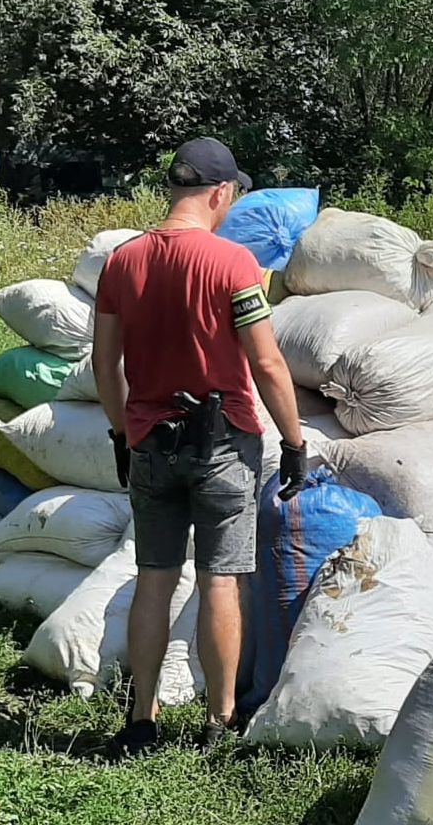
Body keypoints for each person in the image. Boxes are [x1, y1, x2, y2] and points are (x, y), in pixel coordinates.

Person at [92, 137, 308, 757]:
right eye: (232, 193)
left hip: (150, 446)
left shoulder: (123, 262)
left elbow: (106, 366)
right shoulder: (234, 264)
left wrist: (120, 433)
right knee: (221, 580)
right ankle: (220, 721)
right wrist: (293, 443)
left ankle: (141, 720)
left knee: (154, 576)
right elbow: (266, 363)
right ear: (219, 193)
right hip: (222, 446)